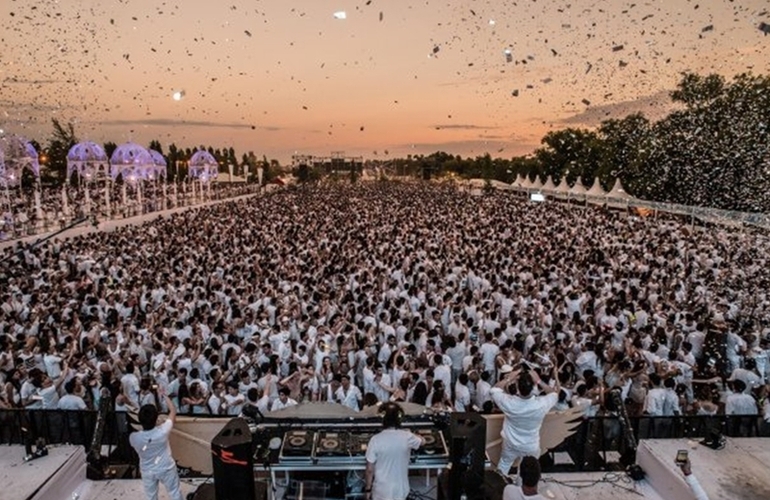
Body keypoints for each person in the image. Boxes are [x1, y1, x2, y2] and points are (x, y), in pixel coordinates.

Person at [490, 366, 558, 476]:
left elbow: (494, 390)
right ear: (533, 387)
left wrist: (509, 378)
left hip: (510, 443)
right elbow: (554, 394)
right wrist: (539, 380)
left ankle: (499, 488)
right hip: (530, 445)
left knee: (504, 464)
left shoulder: (509, 402)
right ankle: (520, 488)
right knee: (526, 473)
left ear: (517, 387)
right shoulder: (541, 404)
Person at [129, 390, 184, 500]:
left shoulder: (134, 437)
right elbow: (173, 410)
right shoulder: (163, 431)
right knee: (174, 493)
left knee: (151, 497)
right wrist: (164, 395)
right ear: (156, 419)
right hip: (166, 468)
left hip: (147, 471)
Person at [365, 402, 424, 500]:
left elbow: (369, 470)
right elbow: (423, 441)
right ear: (399, 419)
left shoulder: (375, 440)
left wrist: (367, 490)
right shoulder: (407, 437)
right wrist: (410, 433)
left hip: (381, 491)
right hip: (400, 490)